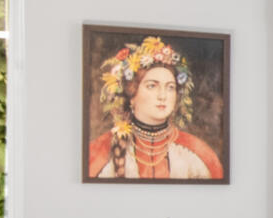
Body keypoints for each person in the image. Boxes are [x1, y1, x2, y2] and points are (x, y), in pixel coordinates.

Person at [89, 36, 224, 180]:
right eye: (152, 86)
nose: (163, 96)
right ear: (132, 95)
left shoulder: (199, 153)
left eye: (170, 87)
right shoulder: (99, 153)